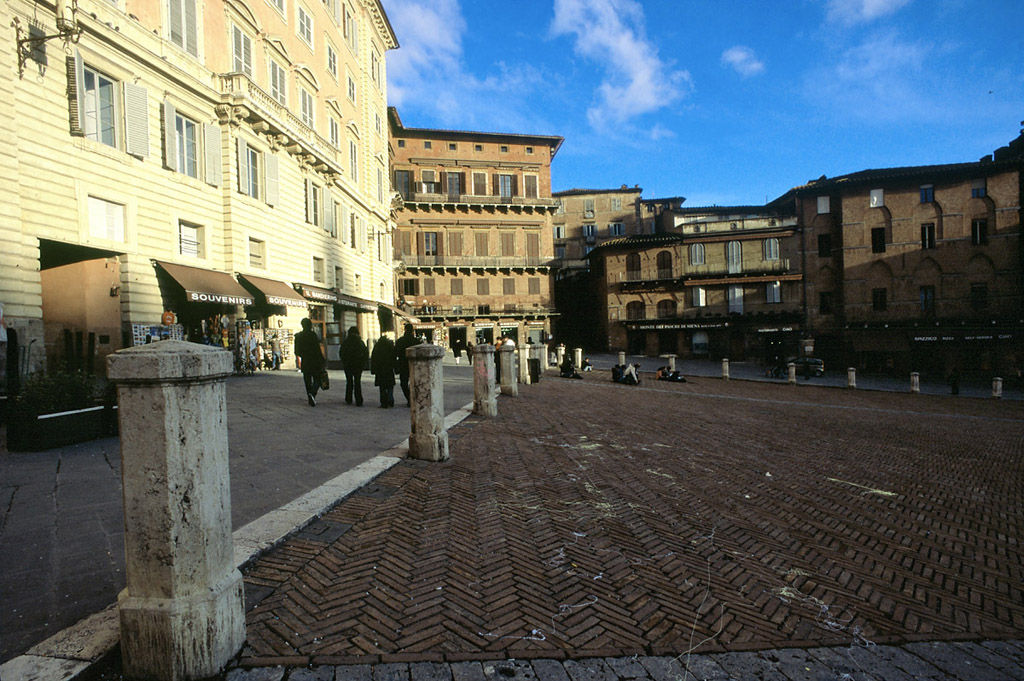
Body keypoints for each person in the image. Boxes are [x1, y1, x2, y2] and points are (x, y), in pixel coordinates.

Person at [294, 318, 325, 407]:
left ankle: (310, 397)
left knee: (307, 380)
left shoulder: (299, 336)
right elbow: (317, 349)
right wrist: (322, 360)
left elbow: (297, 352)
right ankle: (312, 393)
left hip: (305, 361)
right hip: (315, 361)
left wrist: (303, 354)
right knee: (317, 379)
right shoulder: (312, 335)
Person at [340, 326, 368, 406]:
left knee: (349, 381)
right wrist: (363, 363)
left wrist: (344, 362)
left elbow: (341, 353)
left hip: (348, 365)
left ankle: (348, 398)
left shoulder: (346, 342)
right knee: (357, 382)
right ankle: (359, 400)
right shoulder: (360, 342)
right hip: (358, 365)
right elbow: (365, 353)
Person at [394, 324, 420, 405]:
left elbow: (395, 354)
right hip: (415, 365)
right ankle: (414, 399)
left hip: (403, 365)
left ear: (405, 330)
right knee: (415, 383)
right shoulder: (416, 341)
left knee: (404, 383)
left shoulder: (400, 341)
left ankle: (409, 399)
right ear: (412, 331)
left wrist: (395, 366)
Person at [370, 333, 397, 408]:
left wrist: (373, 370)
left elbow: (373, 358)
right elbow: (393, 357)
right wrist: (395, 367)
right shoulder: (390, 346)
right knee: (390, 386)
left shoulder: (377, 346)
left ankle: (383, 402)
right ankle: (390, 400)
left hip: (380, 369)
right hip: (389, 369)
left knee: (382, 387)